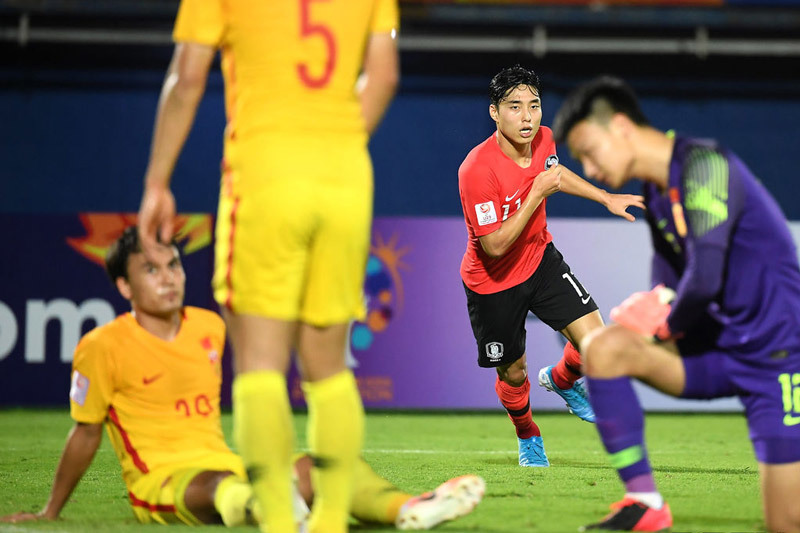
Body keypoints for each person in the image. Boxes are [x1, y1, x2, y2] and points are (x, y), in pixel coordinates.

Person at [0, 227, 485, 530]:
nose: (169, 277)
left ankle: (408, 509)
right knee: (218, 487)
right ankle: (282, 516)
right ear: (124, 286)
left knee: (325, 464)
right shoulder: (100, 346)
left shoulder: (208, 326)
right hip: (162, 486)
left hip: (231, 465)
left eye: (172, 265)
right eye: (151, 270)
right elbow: (86, 432)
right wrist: (50, 511)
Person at [136, 2, 400, 532]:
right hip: (346, 179)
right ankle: (328, 521)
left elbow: (187, 79)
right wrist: (337, 144)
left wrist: (156, 182)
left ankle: (279, 522)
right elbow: (386, 74)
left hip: (266, 174)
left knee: (260, 365)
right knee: (327, 369)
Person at [552, 75, 800, 532]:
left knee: (786, 522)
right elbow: (668, 281)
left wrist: (659, 327)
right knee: (604, 348)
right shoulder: (656, 191)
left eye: (590, 151)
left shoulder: (705, 165)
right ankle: (644, 502)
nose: (588, 169)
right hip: (717, 350)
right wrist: (650, 310)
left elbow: (703, 279)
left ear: (622, 126)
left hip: (779, 359)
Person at [458, 65, 645, 468]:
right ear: (494, 112)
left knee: (596, 344)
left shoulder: (544, 138)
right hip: (492, 281)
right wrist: (536, 192)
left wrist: (606, 198)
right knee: (512, 374)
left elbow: (555, 175)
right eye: (514, 107)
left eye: (534, 105)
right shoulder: (476, 170)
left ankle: (561, 380)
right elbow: (493, 246)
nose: (527, 117)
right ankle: (528, 435)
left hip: (539, 259)